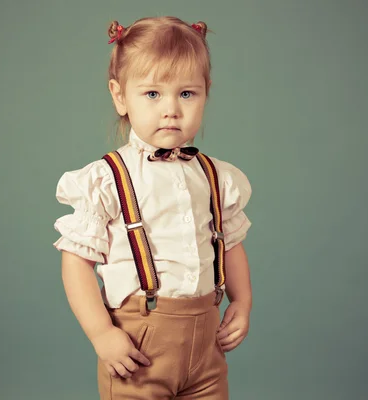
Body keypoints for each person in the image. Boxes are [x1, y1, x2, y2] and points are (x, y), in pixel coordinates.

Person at [54, 16, 253, 399]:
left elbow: (229, 244)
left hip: (206, 345)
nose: (171, 110)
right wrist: (101, 333)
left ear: (206, 94)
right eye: (152, 94)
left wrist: (242, 303)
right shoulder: (108, 178)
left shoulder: (216, 177)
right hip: (139, 346)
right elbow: (76, 262)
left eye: (186, 94)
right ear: (119, 96)